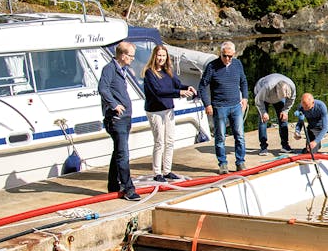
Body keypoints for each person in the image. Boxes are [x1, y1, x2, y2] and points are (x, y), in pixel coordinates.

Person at [142, 45, 196, 182]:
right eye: (159, 55)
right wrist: (179, 93)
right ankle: (157, 173)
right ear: (155, 56)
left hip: (168, 110)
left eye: (163, 56)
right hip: (155, 111)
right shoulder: (149, 73)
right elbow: (158, 91)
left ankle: (167, 170)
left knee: (170, 141)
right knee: (159, 141)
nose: (161, 58)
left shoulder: (168, 72)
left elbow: (177, 85)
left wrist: (186, 88)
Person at [198, 41, 249, 174]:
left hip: (235, 105)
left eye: (230, 56)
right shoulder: (212, 66)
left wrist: (245, 97)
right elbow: (203, 86)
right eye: (225, 55)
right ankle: (223, 163)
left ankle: (240, 161)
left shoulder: (237, 64)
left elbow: (243, 81)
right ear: (220, 53)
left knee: (239, 135)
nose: (227, 59)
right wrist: (207, 104)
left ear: (234, 55)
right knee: (220, 137)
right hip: (219, 106)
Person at [98, 41, 140, 201]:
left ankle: (113, 186)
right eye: (131, 56)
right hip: (117, 119)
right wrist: (114, 104)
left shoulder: (121, 70)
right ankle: (128, 188)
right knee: (123, 153)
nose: (132, 59)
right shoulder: (110, 69)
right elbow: (102, 88)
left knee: (118, 152)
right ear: (122, 55)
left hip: (125, 118)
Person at [254, 73, 296, 156]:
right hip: (262, 95)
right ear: (277, 91)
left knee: (283, 119)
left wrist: (285, 111)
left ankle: (285, 146)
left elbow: (291, 99)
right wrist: (263, 112)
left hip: (276, 96)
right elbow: (258, 100)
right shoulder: (268, 86)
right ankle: (263, 147)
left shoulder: (292, 86)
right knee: (263, 121)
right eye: (282, 96)